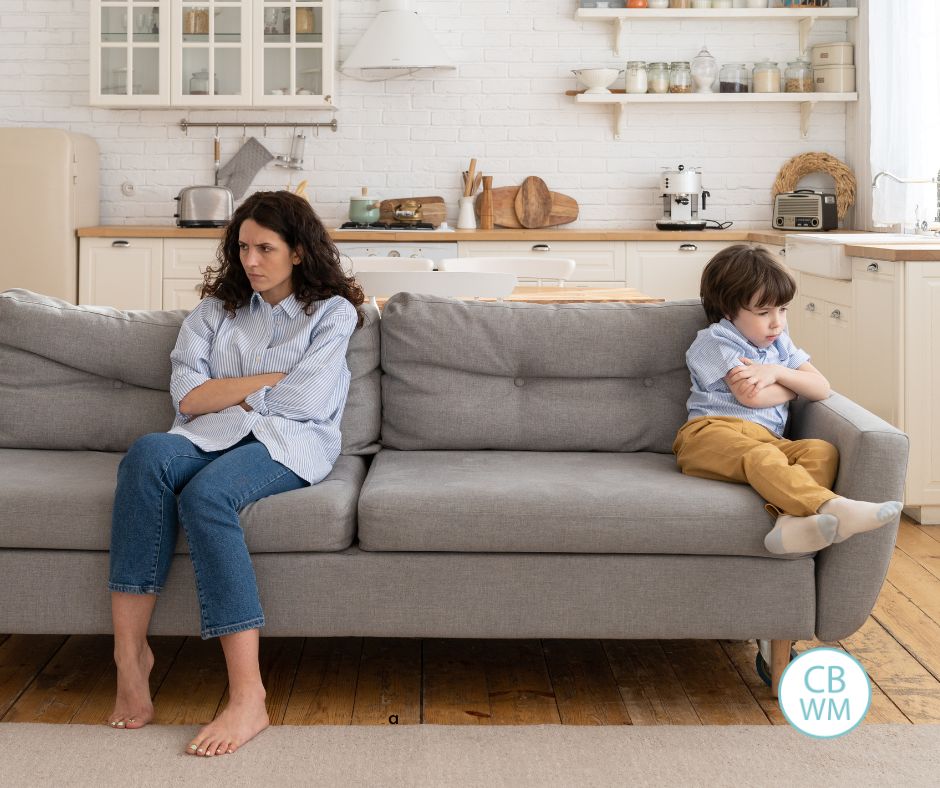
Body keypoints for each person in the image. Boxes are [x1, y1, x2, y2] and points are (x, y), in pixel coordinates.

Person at [106, 190, 364, 756]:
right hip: (207, 434)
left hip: (291, 443)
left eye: (265, 248)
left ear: (298, 252)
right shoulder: (212, 313)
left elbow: (306, 403)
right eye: (243, 247)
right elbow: (189, 398)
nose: (251, 261)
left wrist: (234, 398)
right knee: (147, 454)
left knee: (206, 496)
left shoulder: (332, 313)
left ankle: (249, 697)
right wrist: (265, 380)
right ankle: (131, 656)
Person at [672, 244, 901, 555]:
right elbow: (752, 397)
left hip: (765, 438)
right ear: (729, 310)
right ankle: (831, 506)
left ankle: (790, 524)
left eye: (782, 310)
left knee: (821, 451)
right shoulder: (716, 340)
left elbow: (821, 387)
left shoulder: (779, 345)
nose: (776, 323)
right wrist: (793, 386)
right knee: (762, 457)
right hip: (708, 434)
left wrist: (776, 371)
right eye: (764, 312)